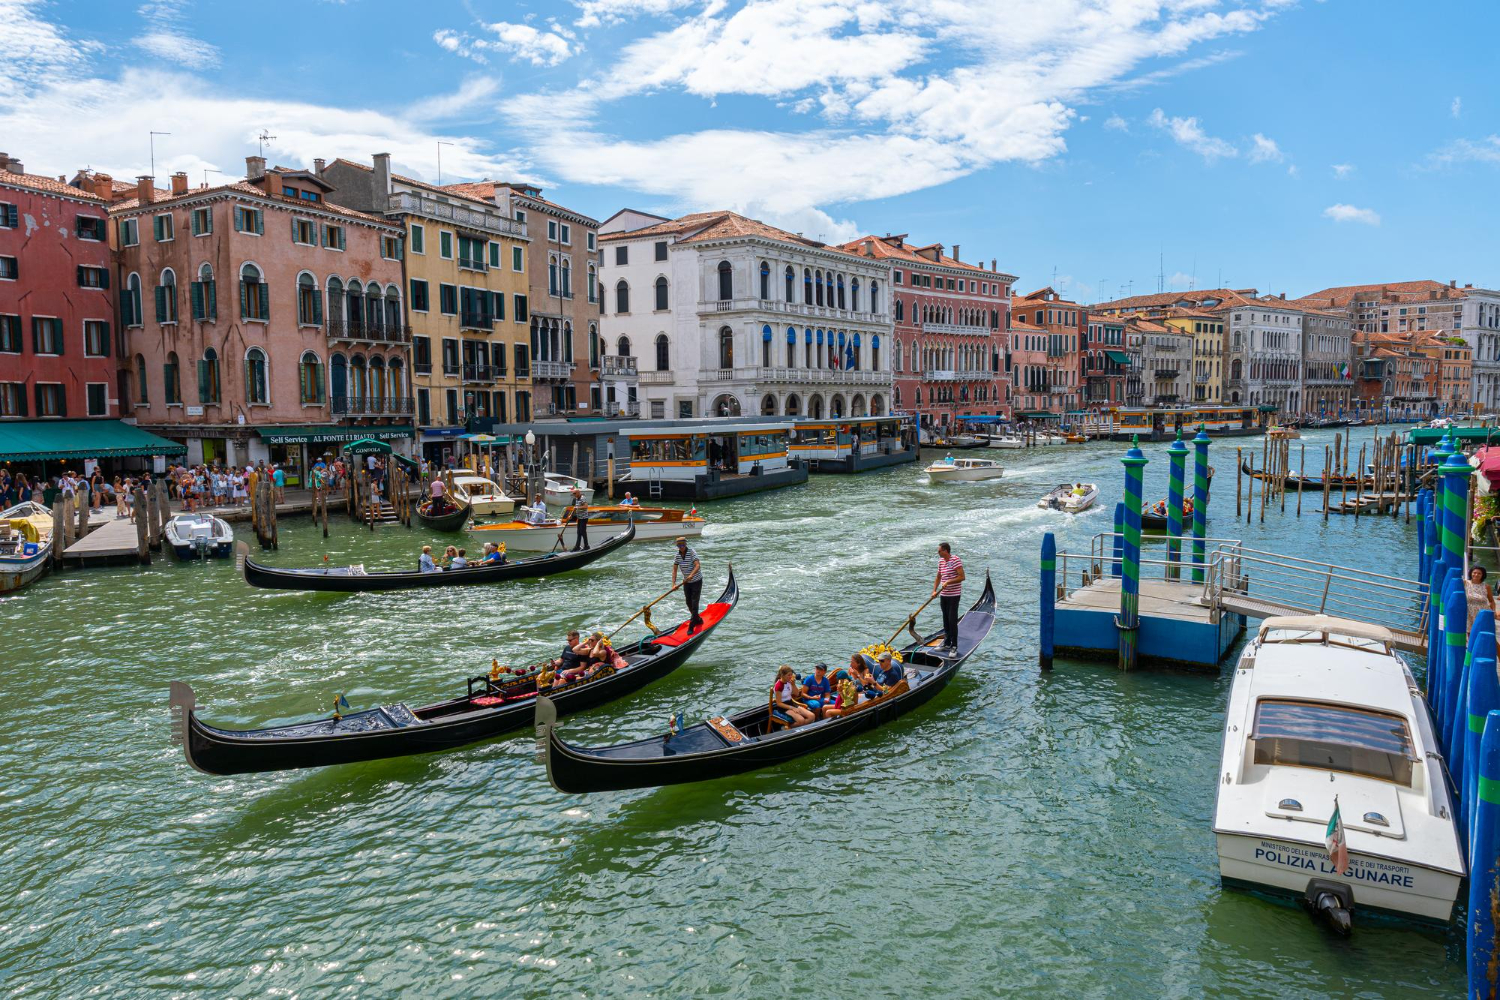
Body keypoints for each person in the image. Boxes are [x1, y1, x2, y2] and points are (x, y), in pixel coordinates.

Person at [933, 541, 965, 650]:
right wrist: (934, 591)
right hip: (944, 595)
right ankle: (946, 643)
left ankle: (954, 646)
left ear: (945, 551)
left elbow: (962, 577)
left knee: (952, 620)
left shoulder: (955, 560)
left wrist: (948, 582)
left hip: (954, 596)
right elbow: (938, 577)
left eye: (939, 551)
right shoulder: (941, 561)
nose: (938, 553)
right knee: (945, 620)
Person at [672, 535, 703, 632]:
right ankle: (697, 619)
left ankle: (692, 625)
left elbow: (698, 565)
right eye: (679, 546)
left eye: (682, 545)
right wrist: (673, 584)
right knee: (688, 602)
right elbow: (674, 570)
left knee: (694, 603)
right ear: (677, 546)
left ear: (685, 544)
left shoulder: (692, 552)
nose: (681, 547)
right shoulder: (677, 556)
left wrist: (691, 575)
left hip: (696, 581)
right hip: (686, 582)